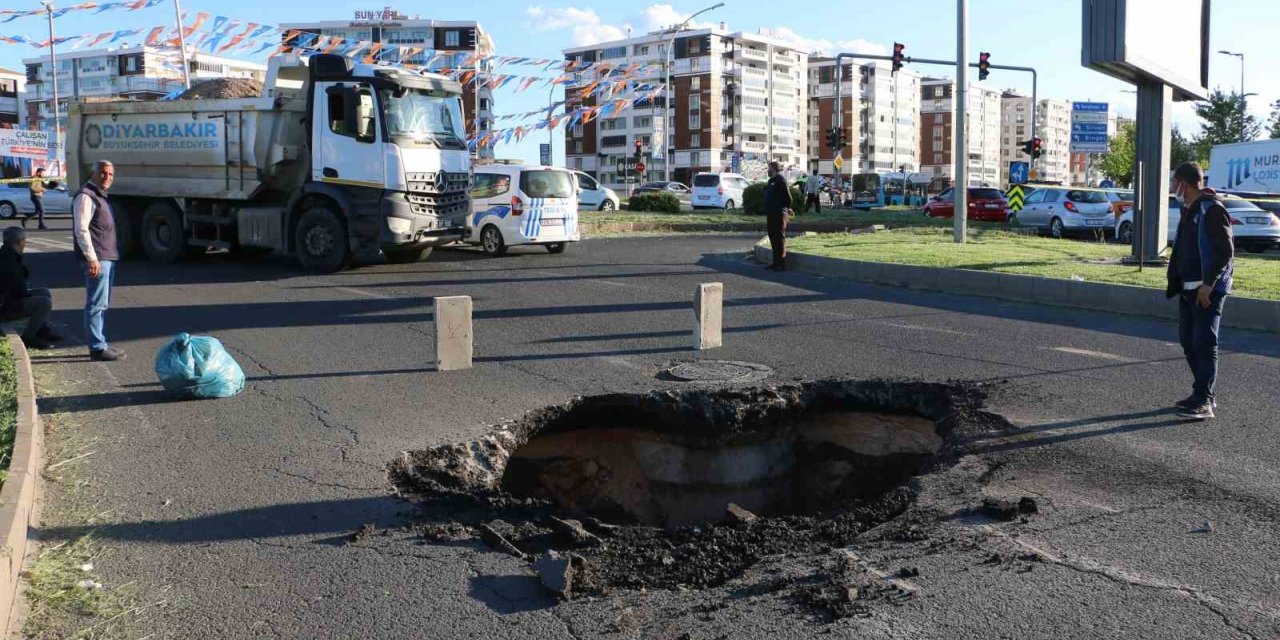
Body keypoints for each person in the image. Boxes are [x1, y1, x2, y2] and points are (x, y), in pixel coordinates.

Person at [1165, 162, 1233, 420]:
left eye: (1174, 182)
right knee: (1188, 341)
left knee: (1204, 344)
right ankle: (1202, 393)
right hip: (1188, 288)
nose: (1172, 187)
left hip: (1206, 290)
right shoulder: (1190, 209)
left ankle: (1204, 401)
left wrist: (1209, 284)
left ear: (1183, 184)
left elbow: (1225, 251)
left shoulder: (1212, 209)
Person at [72, 160, 125, 362]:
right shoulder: (86, 196)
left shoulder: (100, 195)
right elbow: (81, 229)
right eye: (103, 173)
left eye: (110, 174)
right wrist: (92, 259)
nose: (107, 177)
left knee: (102, 303)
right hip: (98, 258)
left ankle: (101, 342)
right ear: (93, 173)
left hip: (106, 256)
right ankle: (96, 348)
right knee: (95, 304)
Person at [0, 227, 62, 350]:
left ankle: (42, 331)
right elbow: (17, 287)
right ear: (19, 242)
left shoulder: (9, 254)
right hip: (5, 305)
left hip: (8, 298)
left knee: (43, 292)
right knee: (43, 303)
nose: (25, 243)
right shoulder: (8, 260)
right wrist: (27, 296)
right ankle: (28, 337)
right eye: (24, 240)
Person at [763, 161, 793, 271]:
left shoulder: (780, 180)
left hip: (779, 213)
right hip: (771, 213)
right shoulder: (771, 181)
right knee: (772, 236)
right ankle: (775, 263)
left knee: (779, 238)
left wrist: (786, 208)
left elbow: (788, 197)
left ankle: (781, 263)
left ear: (774, 169)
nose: (768, 170)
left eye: (769, 168)